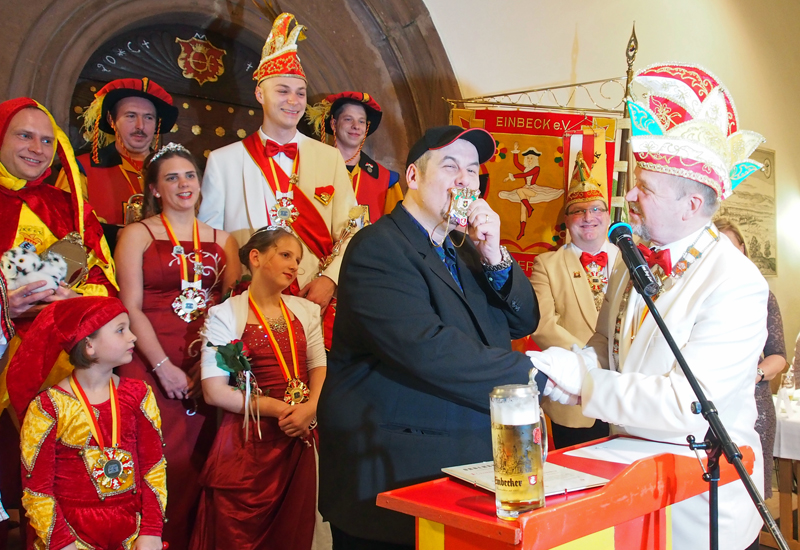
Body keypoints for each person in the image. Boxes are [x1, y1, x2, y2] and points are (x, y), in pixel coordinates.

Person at [528, 64, 769, 550]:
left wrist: (585, 383)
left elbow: (689, 406)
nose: (629, 196)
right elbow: (603, 347)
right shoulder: (628, 259)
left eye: (646, 188)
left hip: (698, 501)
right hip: (628, 482)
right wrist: (563, 366)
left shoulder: (737, 282)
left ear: (691, 206)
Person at [317, 125, 547, 549]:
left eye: (473, 170)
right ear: (413, 177)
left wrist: (495, 255)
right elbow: (427, 347)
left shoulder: (465, 249)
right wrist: (536, 374)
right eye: (450, 166)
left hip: (460, 468)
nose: (465, 179)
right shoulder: (378, 246)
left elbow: (523, 321)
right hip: (392, 474)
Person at [198, 13, 357, 349]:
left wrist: (331, 280)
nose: (293, 101)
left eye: (300, 93)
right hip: (249, 303)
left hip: (317, 301)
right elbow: (210, 241)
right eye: (283, 90)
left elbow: (352, 228)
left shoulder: (329, 158)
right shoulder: (223, 160)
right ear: (260, 94)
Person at [0, 98, 117, 535]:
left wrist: (74, 296)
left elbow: (105, 283)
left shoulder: (69, 205)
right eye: (24, 135)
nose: (37, 148)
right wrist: (3, 306)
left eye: (47, 139)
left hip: (66, 363)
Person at [114, 142, 240, 549]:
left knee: (199, 462)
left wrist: (210, 369)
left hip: (206, 366)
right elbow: (129, 306)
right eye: (171, 177)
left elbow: (232, 310)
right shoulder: (137, 234)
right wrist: (162, 366)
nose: (183, 184)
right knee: (153, 459)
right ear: (154, 189)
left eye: (189, 175)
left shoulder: (226, 241)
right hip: (148, 361)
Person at [191, 227, 327, 550]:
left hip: (298, 439)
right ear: (256, 257)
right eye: (285, 255)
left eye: (298, 259)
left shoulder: (306, 311)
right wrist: (277, 408)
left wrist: (311, 408)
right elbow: (214, 391)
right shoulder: (224, 315)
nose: (294, 265)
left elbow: (318, 366)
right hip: (248, 447)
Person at [7, 296, 166, 550]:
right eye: (121, 330)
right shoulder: (48, 407)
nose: (133, 337)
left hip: (131, 535)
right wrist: (61, 542)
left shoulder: (139, 395)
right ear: (89, 345)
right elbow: (38, 489)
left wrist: (151, 530)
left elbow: (153, 468)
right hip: (72, 536)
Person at [530, 151, 616, 448]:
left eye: (595, 209)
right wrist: (587, 363)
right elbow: (543, 325)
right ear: (566, 219)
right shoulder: (546, 264)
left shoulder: (633, 262)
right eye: (578, 211)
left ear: (608, 216)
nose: (588, 217)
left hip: (629, 391)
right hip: (574, 395)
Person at [717, 217, 785, 498]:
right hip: (713, 404)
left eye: (730, 247)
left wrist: (754, 375)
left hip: (754, 404)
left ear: (743, 249)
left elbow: (778, 356)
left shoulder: (761, 294)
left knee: (751, 495)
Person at [57, 78, 179, 233]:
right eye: (130, 116)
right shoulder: (80, 169)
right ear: (111, 120)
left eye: (149, 117)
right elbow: (64, 224)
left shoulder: (174, 171)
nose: (140, 126)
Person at [306, 91, 403, 223]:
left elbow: (396, 231)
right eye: (348, 119)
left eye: (361, 121)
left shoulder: (386, 180)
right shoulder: (310, 169)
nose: (356, 126)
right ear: (333, 124)